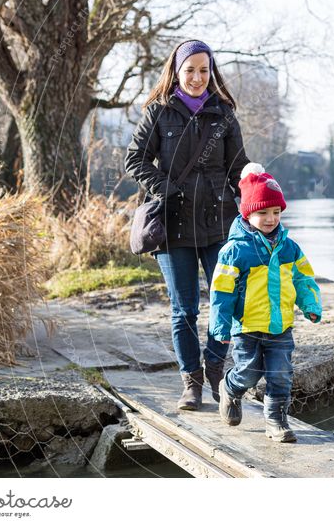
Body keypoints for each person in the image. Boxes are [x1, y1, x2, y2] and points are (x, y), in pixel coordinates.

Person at [125, 39, 250, 411]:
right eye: (190, 69)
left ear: (211, 72)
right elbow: (135, 159)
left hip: (219, 224)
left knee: (227, 300)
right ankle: (191, 384)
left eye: (203, 70)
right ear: (177, 72)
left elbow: (237, 166)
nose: (197, 77)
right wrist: (164, 187)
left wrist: (256, 193)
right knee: (184, 310)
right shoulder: (158, 113)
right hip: (174, 225)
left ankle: (215, 365)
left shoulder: (224, 114)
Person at [208, 163, 322, 442]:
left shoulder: (289, 247)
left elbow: (304, 279)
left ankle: (276, 422)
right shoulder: (235, 251)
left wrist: (310, 305)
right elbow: (221, 292)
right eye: (263, 213)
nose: (271, 218)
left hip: (281, 325)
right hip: (247, 327)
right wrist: (220, 327)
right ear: (247, 213)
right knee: (248, 372)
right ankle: (230, 388)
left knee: (281, 375)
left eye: (276, 212)